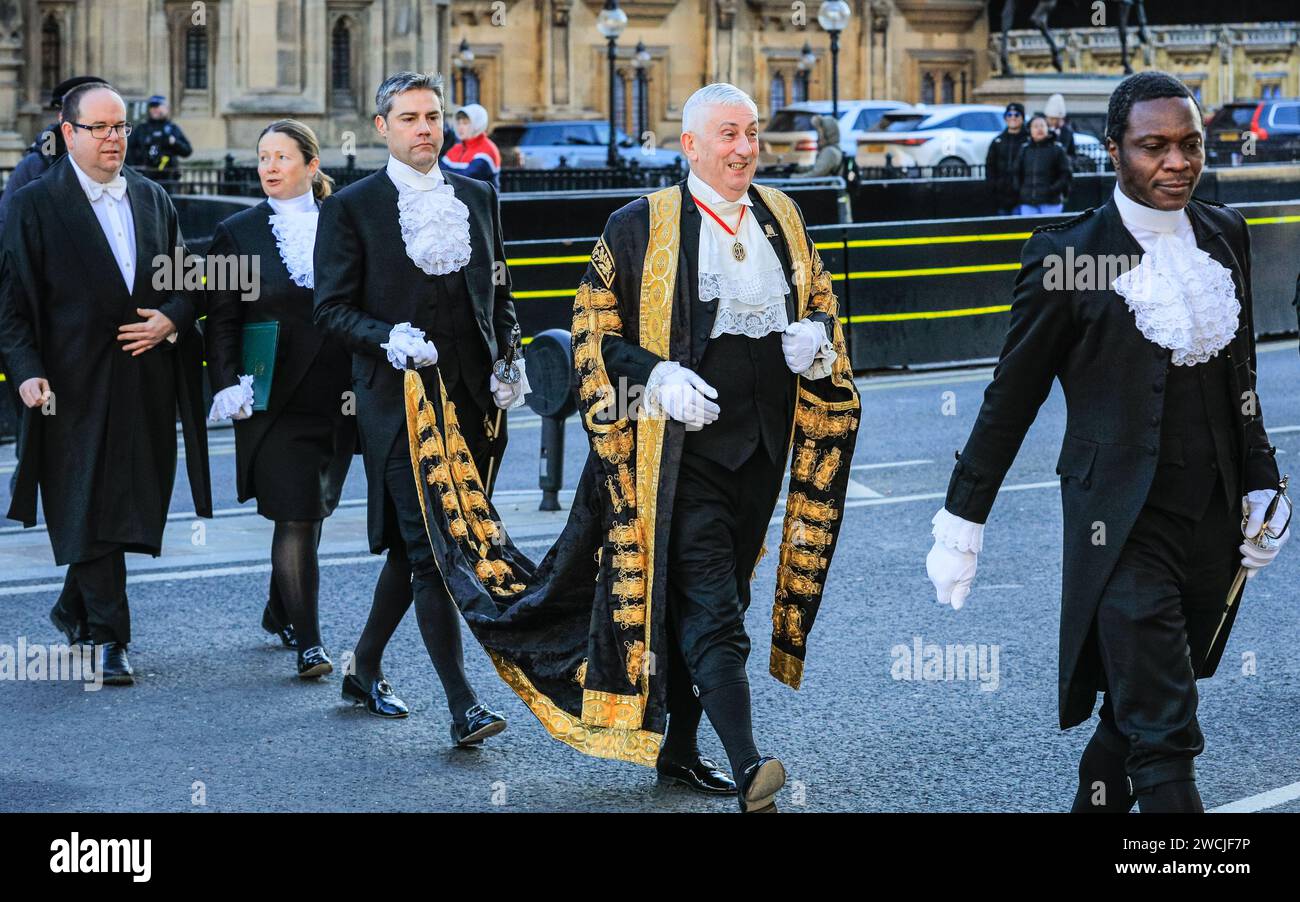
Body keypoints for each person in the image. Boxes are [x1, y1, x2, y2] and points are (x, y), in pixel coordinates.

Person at [394, 82, 859, 813]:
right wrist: (657, 375)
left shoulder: (784, 216)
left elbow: (823, 302)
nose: (744, 148)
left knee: (725, 592)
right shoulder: (639, 225)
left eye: (752, 133)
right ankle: (749, 767)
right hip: (676, 462)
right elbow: (591, 335)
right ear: (692, 147)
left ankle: (677, 752)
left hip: (764, 455)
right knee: (713, 605)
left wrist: (819, 341)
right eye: (729, 135)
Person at [925, 72, 1289, 813]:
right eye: (1154, 146)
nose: (1177, 161)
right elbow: (1009, 401)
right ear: (1115, 151)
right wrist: (961, 524)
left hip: (1211, 525)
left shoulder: (1225, 235)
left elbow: (1241, 378)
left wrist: (1264, 481)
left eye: (1189, 144)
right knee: (1166, 735)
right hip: (1119, 531)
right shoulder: (1068, 256)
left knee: (1130, 718)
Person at [314, 72, 522, 739]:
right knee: (433, 550)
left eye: (433, 116)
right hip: (397, 405)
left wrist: (508, 356)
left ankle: (364, 664)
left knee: (420, 549)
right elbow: (332, 310)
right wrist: (387, 338)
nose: (425, 128)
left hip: (473, 404)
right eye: (409, 118)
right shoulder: (351, 207)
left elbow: (499, 292)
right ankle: (464, 706)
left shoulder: (479, 195)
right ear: (382, 126)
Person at [0, 82, 212, 684]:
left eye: (120, 127)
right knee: (85, 497)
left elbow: (185, 279)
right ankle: (111, 637)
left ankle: (75, 606)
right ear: (69, 133)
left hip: (144, 380)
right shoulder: (34, 203)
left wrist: (173, 316)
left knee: (125, 499)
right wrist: (26, 370)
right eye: (100, 128)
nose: (115, 138)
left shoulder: (151, 197)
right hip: (68, 384)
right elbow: (11, 303)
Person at [203, 120, 356, 679]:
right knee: (294, 516)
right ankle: (310, 643)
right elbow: (221, 318)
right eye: (262, 157)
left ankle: (279, 608)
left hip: (338, 397)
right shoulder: (236, 232)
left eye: (281, 157)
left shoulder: (347, 222)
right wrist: (224, 382)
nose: (268, 166)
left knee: (314, 512)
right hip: (272, 397)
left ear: (312, 166)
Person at [0, 76, 107, 487]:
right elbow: (11, 245)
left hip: (98, 327)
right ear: (66, 119)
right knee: (43, 411)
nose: (106, 132)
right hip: (48, 318)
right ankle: (33, 474)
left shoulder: (115, 170)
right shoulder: (36, 166)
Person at [1013, 114, 1071, 216]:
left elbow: (1066, 174)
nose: (1039, 129)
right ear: (1030, 130)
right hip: (1028, 202)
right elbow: (1016, 172)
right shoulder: (1024, 149)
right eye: (1035, 126)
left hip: (1051, 202)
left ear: (1047, 128)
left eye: (1042, 125)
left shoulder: (1057, 149)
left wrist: (1053, 190)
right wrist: (1020, 191)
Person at [127, 95, 193, 184]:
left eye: (157, 106)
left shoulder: (172, 129)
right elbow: (129, 150)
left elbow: (187, 151)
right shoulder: (142, 129)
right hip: (146, 178)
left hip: (168, 178)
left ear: (166, 108)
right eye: (152, 107)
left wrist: (174, 142)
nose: (154, 110)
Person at [439, 104, 501, 190]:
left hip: (482, 202)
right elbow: (438, 171)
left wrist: (446, 173)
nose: (460, 127)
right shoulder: (456, 148)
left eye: (465, 123)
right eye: (458, 123)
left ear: (477, 125)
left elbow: (467, 176)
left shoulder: (488, 149)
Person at [985, 102, 1029, 216]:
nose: (1013, 118)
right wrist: (993, 185)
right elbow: (990, 166)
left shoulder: (1029, 140)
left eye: (1017, 115)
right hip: (1001, 196)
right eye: (1009, 115)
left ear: (1022, 118)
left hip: (1023, 196)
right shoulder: (998, 141)